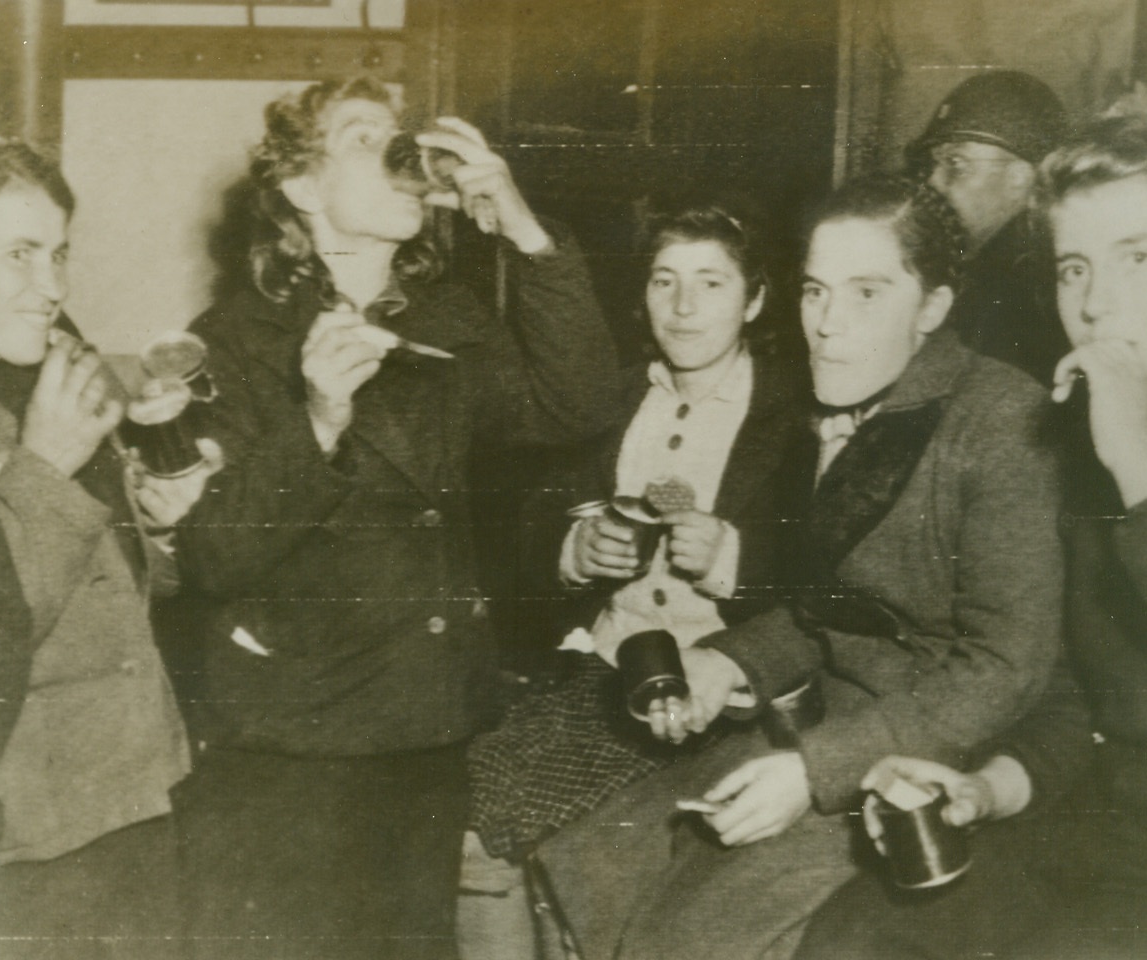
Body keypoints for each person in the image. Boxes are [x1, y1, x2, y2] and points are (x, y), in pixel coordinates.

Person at [535, 176, 1065, 960]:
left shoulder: (998, 420)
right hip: (825, 719)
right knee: (585, 861)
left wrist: (817, 772)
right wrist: (723, 663)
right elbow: (827, 612)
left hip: (934, 753)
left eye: (867, 293)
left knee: (678, 938)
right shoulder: (847, 407)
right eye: (816, 291)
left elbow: (1006, 667)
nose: (826, 326)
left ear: (933, 308)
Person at [170, 76, 620, 960]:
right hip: (298, 747)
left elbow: (581, 404)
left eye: (399, 135)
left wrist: (521, 227)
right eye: (365, 137)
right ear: (302, 188)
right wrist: (318, 424)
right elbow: (211, 555)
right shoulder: (233, 340)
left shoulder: (446, 321)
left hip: (427, 724)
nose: (401, 154)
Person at [795, 111, 1147, 960]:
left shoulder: (1119, 450)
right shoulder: (1087, 450)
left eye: (1139, 259)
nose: (1095, 305)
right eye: (1073, 268)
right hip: (1106, 839)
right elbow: (1083, 704)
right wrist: (978, 791)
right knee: (850, 938)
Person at [458, 198, 814, 958]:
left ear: (755, 300)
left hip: (731, 698)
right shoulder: (611, 399)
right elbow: (530, 524)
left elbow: (832, 583)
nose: (683, 309)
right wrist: (571, 549)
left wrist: (734, 561)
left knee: (597, 864)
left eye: (712, 284)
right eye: (664, 282)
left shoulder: (800, 416)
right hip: (603, 673)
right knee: (473, 833)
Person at [0, 128, 216, 959]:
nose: (50, 286)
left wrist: (158, 523)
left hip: (134, 798)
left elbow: (118, 595)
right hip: (16, 832)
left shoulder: (53, 368)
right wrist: (45, 467)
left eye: (59, 255)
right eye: (20, 254)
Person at [909, 70, 1071, 384]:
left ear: (1021, 177)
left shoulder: (1018, 299)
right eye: (934, 163)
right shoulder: (995, 274)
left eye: (956, 163)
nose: (932, 181)